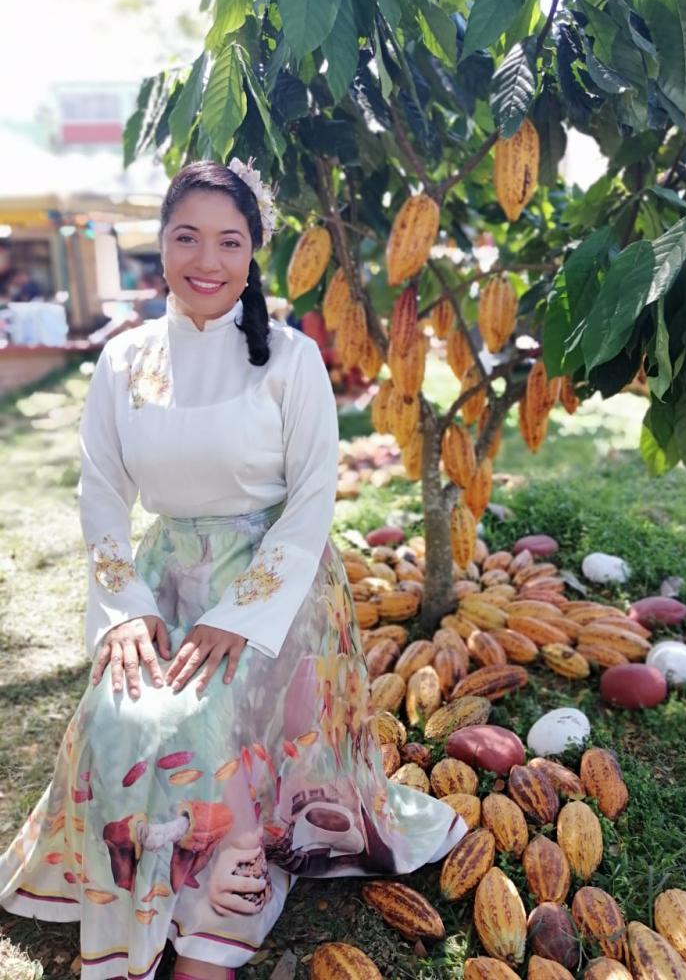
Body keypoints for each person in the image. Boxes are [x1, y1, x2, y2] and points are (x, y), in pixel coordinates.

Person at [0, 159, 466, 979]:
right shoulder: (124, 361)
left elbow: (314, 498)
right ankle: (132, 907)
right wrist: (127, 608)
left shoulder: (287, 360)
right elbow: (103, 492)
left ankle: (219, 915)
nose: (205, 261)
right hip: (161, 581)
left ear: (254, 253)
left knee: (210, 732)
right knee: (123, 721)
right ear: (161, 246)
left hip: (272, 589)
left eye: (228, 241)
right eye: (187, 238)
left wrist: (240, 615)